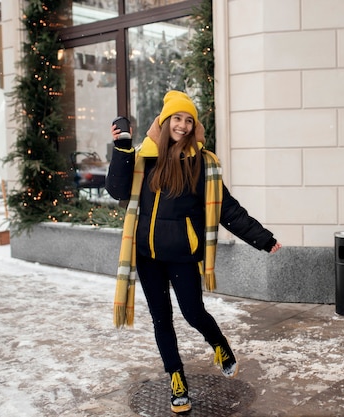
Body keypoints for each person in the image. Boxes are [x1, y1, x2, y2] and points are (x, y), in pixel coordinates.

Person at [106, 90, 282, 414]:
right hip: (146, 256)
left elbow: (227, 209)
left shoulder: (203, 164)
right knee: (162, 319)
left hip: (183, 255)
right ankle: (176, 378)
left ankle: (220, 346)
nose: (183, 126)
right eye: (178, 118)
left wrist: (262, 238)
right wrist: (121, 148)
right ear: (165, 120)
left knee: (193, 313)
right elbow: (116, 189)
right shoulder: (144, 157)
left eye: (189, 120)